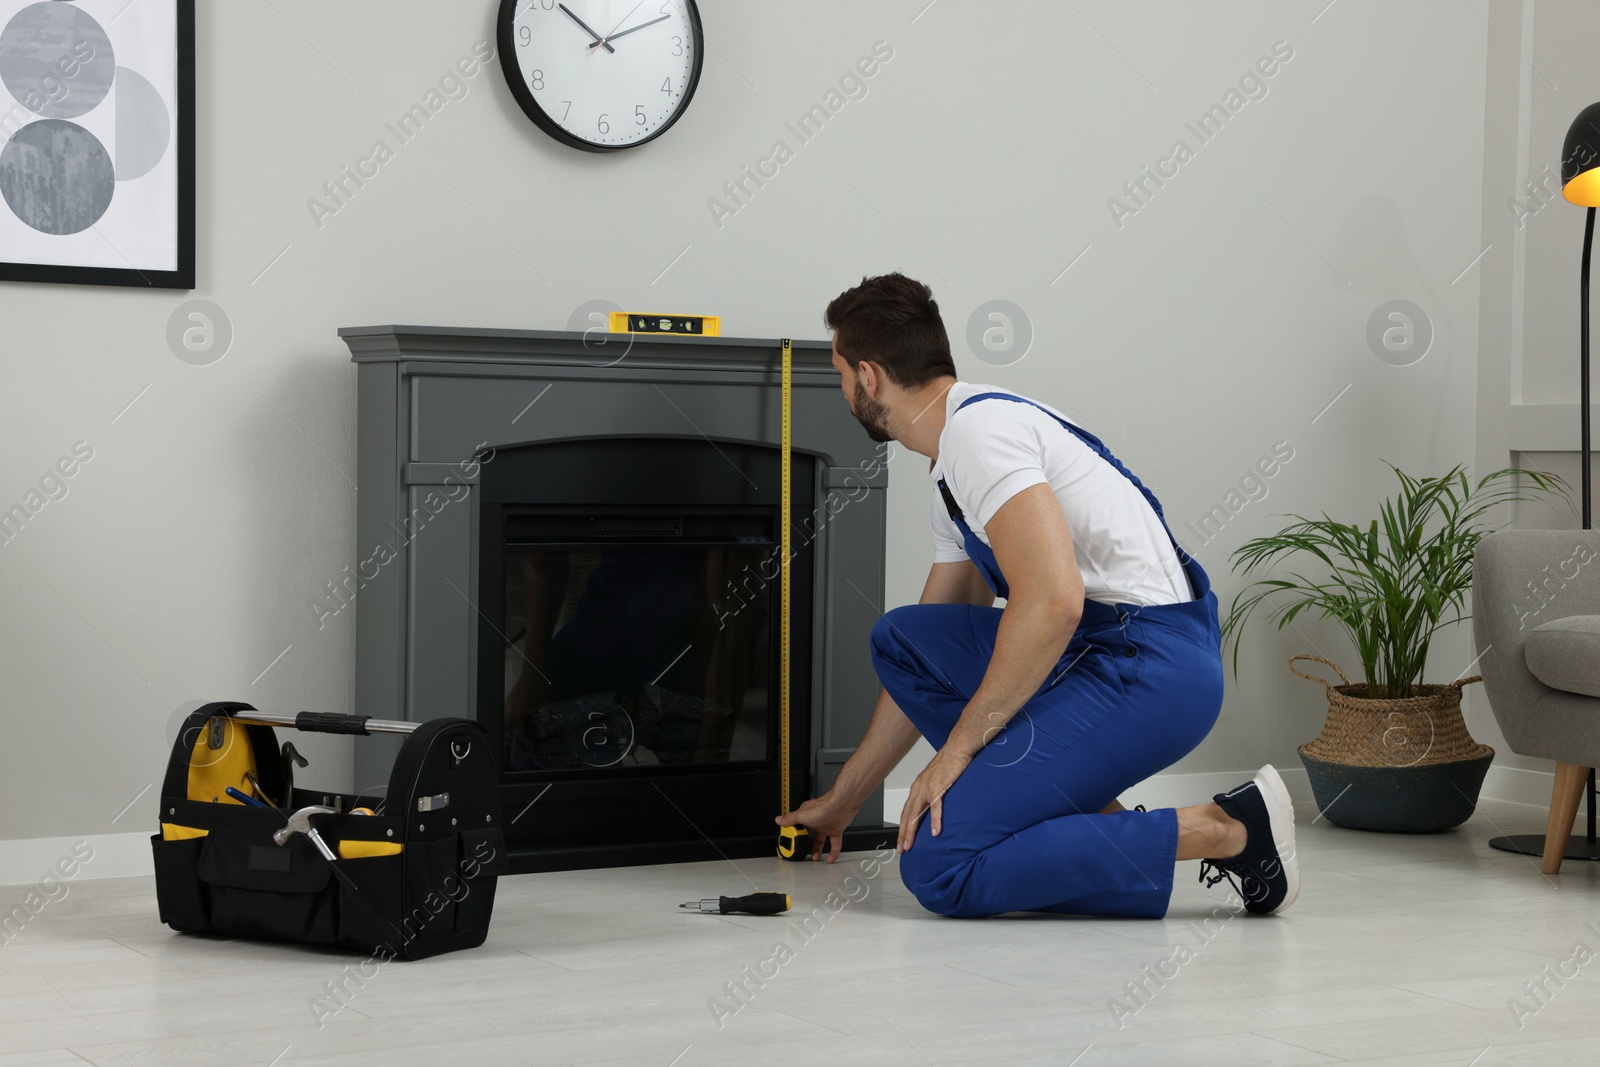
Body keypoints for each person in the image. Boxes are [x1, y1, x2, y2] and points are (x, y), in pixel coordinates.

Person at [775, 273, 1300, 918]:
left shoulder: (980, 435)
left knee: (939, 867)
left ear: (869, 375)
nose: (843, 391)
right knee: (904, 638)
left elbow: (1053, 601)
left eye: (839, 374)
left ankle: (1225, 830)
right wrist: (849, 796)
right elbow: (934, 634)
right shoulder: (951, 462)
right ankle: (1062, 818)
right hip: (1096, 657)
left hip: (1149, 670)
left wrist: (957, 753)